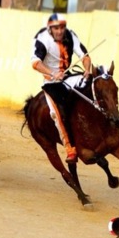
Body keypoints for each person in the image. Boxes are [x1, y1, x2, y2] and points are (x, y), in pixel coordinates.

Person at [31, 12, 92, 163]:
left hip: (69, 76)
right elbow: (35, 63)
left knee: (91, 88)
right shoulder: (42, 39)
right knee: (55, 112)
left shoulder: (71, 35)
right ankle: (69, 147)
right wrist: (52, 73)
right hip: (51, 82)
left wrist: (87, 69)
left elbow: (85, 55)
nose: (59, 31)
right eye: (56, 28)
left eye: (62, 28)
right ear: (50, 29)